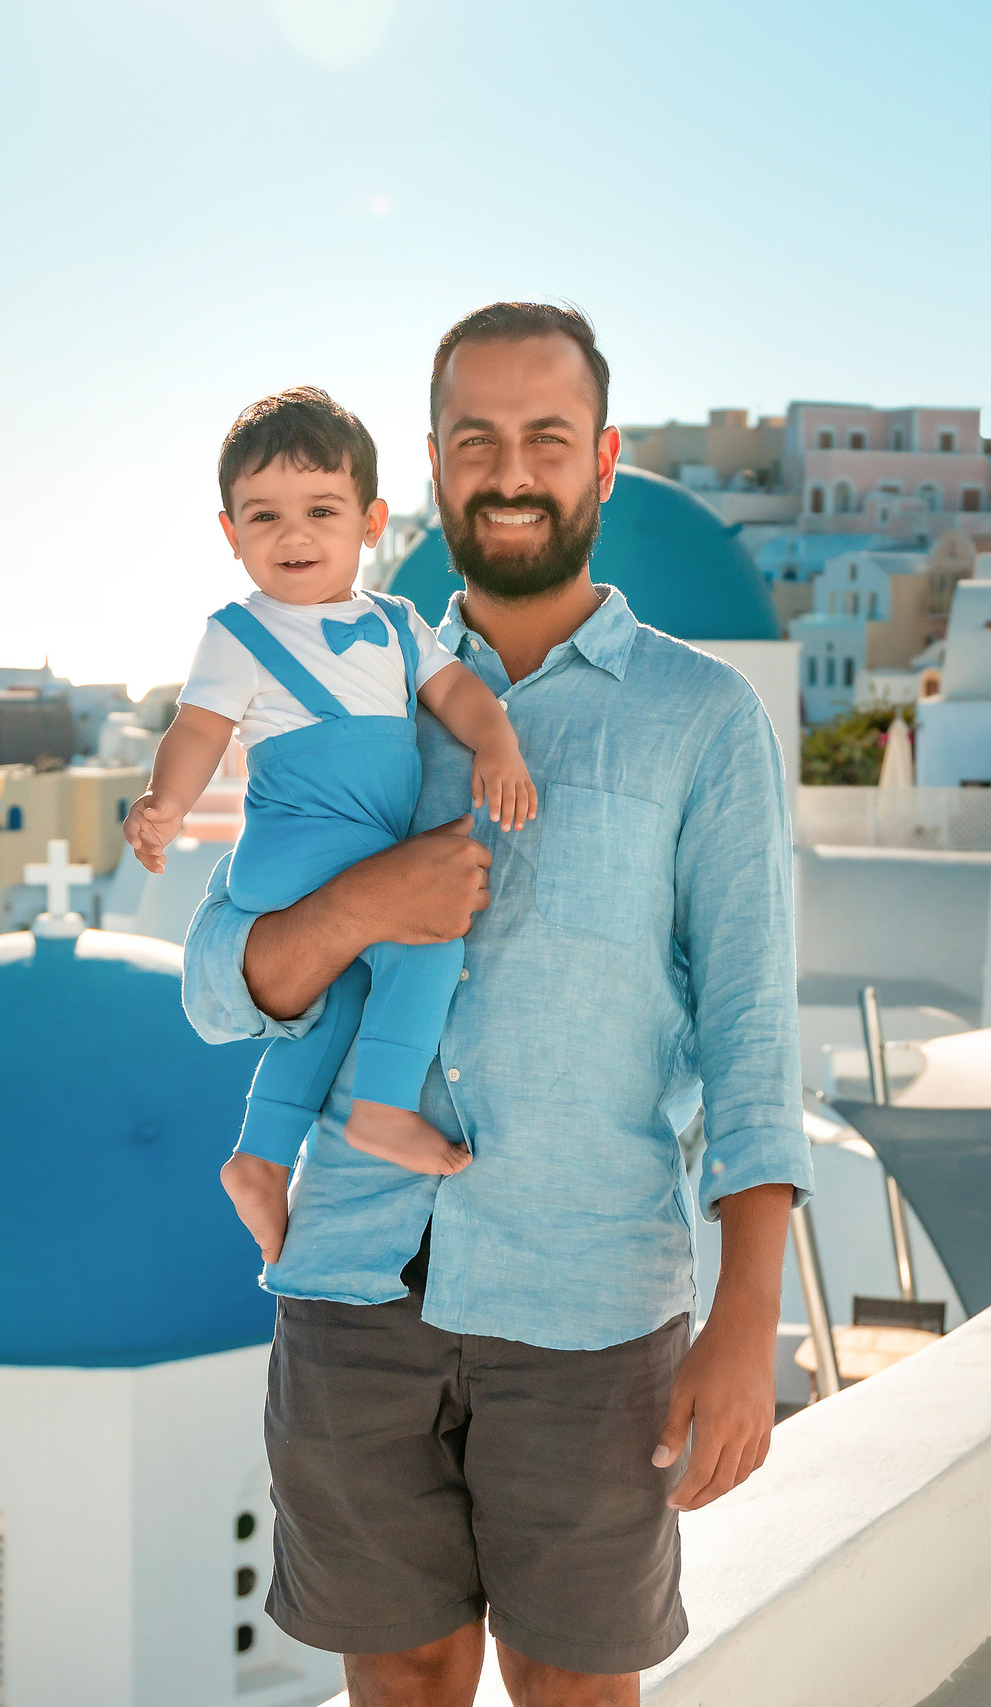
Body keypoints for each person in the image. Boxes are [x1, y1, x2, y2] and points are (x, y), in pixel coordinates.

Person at [182, 302, 809, 1707]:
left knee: (574, 1685)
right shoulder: (337, 684)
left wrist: (745, 1318)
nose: (511, 468)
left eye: (545, 435)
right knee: (397, 1675)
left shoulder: (698, 716)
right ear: (433, 465)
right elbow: (223, 989)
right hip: (351, 1274)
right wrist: (362, 902)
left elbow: (754, 1027)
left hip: (586, 1295)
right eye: (478, 438)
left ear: (602, 459)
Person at [126, 387, 539, 1263]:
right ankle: (383, 1108)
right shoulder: (240, 631)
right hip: (298, 850)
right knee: (429, 937)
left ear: (371, 521)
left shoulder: (394, 623)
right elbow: (197, 727)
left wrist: (496, 738)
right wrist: (166, 801)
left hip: (344, 849)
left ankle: (262, 1158)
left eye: (320, 509)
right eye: (263, 516)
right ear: (230, 534)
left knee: (339, 996)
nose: (293, 534)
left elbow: (457, 691)